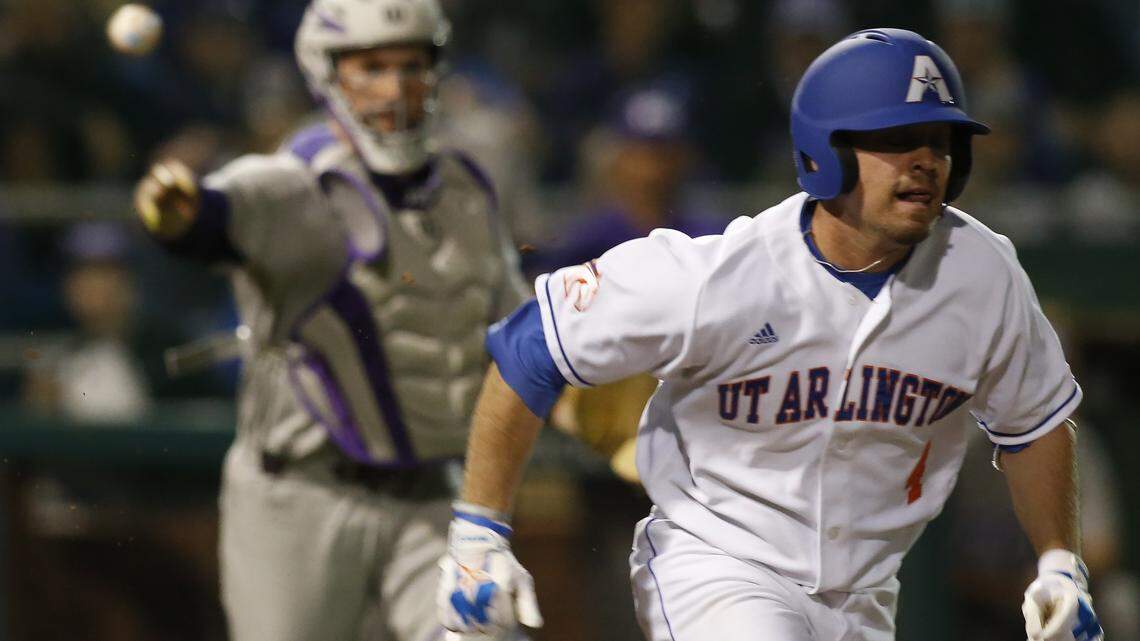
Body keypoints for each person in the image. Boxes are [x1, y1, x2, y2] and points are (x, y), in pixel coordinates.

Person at [437, 29, 1104, 641]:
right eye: (898, 139)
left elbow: (1036, 422)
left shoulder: (983, 273)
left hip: (867, 594)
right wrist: (479, 531)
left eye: (940, 141)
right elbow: (529, 346)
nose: (926, 160)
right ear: (827, 152)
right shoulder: (722, 274)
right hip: (717, 566)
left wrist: (1059, 561)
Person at [133, 1, 530, 640]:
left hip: (433, 495)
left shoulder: (466, 186)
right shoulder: (295, 183)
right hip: (301, 496)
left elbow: (517, 332)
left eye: (411, 66)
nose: (395, 89)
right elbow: (211, 218)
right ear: (328, 72)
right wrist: (178, 211)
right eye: (372, 68)